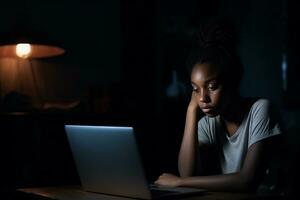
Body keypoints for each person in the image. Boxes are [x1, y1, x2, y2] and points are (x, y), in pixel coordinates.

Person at [155, 20, 284, 192]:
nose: (203, 98)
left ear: (232, 81)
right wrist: (191, 110)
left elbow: (247, 180)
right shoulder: (208, 123)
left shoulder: (261, 110)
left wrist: (179, 182)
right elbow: (187, 172)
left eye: (212, 87)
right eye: (196, 89)